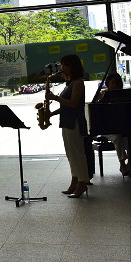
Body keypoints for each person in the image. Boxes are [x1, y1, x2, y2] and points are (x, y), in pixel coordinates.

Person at [47, 54, 89, 198]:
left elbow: (73, 104)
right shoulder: (70, 83)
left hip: (75, 122)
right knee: (71, 154)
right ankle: (75, 180)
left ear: (73, 67)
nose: (62, 68)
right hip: (67, 121)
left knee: (78, 154)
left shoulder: (78, 83)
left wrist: (55, 98)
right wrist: (51, 114)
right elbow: (66, 106)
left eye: (65, 65)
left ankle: (82, 182)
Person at [93, 72, 130, 176]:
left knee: (130, 139)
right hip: (105, 130)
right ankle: (122, 164)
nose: (115, 85)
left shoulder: (122, 95)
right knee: (117, 137)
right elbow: (94, 110)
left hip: (119, 128)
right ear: (108, 83)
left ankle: (129, 164)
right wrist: (100, 98)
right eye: (113, 83)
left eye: (117, 83)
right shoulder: (102, 94)